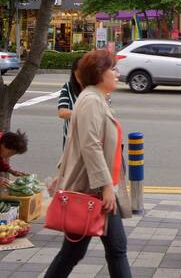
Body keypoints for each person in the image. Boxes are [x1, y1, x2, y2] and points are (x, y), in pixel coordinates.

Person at [45, 50, 132, 278]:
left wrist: (60, 173)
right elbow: (90, 145)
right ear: (99, 73)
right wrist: (105, 187)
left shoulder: (95, 97)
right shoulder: (91, 100)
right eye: (112, 69)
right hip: (94, 191)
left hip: (97, 188)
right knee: (112, 249)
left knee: (92, 250)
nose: (117, 73)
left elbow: (75, 142)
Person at [56, 57, 84, 149]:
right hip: (71, 141)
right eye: (78, 70)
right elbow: (62, 112)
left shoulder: (97, 88)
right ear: (74, 72)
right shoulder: (68, 87)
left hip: (92, 141)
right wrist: (86, 114)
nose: (81, 74)